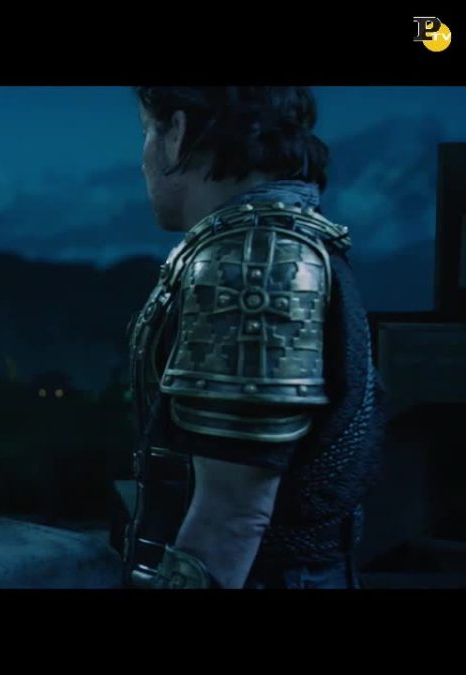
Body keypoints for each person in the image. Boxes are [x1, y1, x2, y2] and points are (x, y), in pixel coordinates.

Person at [123, 87, 384, 589]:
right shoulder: (269, 243)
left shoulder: (252, 262)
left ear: (177, 133)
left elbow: (231, 516)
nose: (142, 160)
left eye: (147, 131)